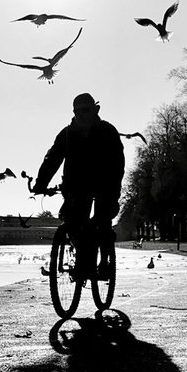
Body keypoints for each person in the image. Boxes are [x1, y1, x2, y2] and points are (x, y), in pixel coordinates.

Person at [32, 92, 125, 257]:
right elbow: (52, 159)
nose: (81, 115)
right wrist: (41, 184)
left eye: (85, 110)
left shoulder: (108, 132)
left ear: (96, 110)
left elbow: (118, 163)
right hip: (75, 186)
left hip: (103, 184)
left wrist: (113, 188)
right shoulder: (67, 134)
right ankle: (82, 255)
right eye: (77, 111)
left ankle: (104, 261)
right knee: (73, 222)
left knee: (103, 222)